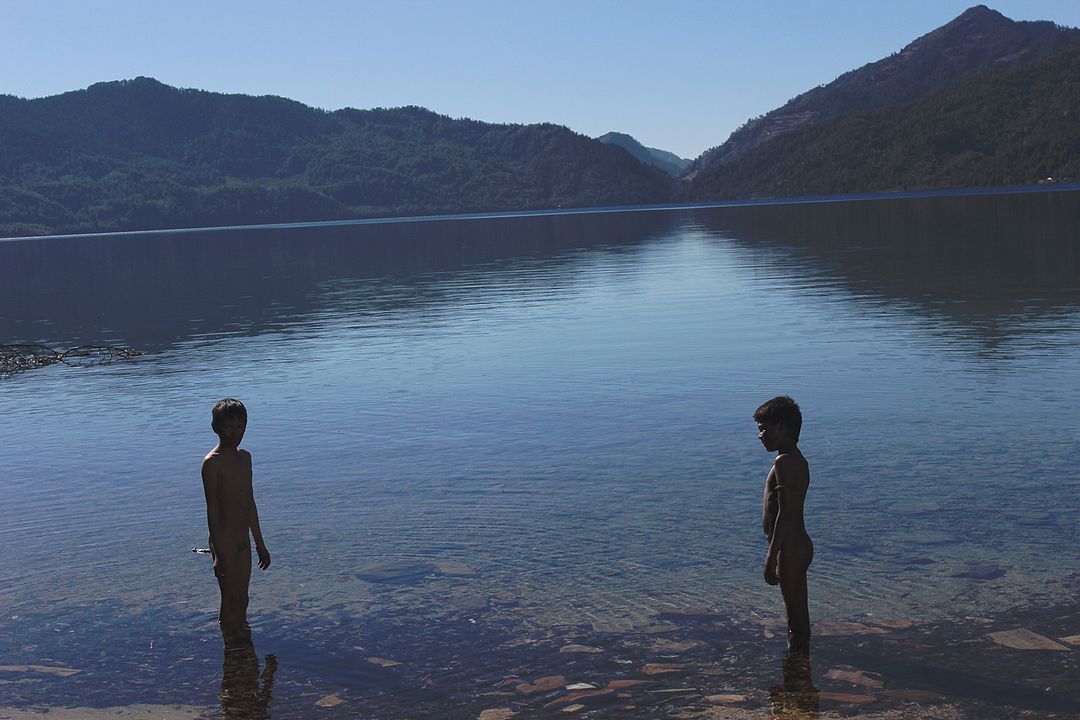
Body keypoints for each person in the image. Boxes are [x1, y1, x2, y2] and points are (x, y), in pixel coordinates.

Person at [202, 398, 271, 641]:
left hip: (242, 537)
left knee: (242, 596)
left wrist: (260, 543)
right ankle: (230, 640)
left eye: (240, 427)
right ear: (217, 428)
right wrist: (218, 552)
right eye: (229, 427)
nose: (235, 433)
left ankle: (242, 640)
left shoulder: (245, 458)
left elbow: (249, 503)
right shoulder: (212, 463)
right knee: (229, 596)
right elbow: (212, 509)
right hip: (224, 539)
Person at [756, 395, 813, 654]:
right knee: (798, 614)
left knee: (795, 620)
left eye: (764, 429)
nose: (760, 436)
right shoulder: (797, 460)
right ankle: (800, 666)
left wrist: (771, 556)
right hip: (797, 545)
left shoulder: (783, 462)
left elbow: (786, 514)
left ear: (781, 428)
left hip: (789, 548)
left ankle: (797, 670)